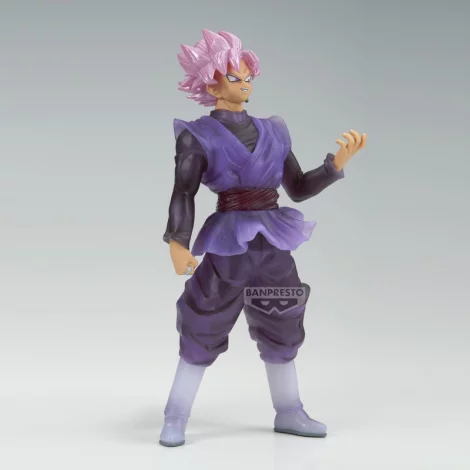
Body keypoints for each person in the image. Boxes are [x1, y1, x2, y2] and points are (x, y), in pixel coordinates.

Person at [160, 29, 367, 447]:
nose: (244, 83)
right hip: (229, 242)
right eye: (233, 77)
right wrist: (178, 244)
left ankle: (289, 410)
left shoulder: (273, 131)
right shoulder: (197, 135)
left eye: (248, 76)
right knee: (203, 322)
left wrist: (334, 167)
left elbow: (298, 188)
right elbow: (183, 192)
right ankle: (176, 416)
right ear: (211, 85)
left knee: (282, 319)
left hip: (273, 241)